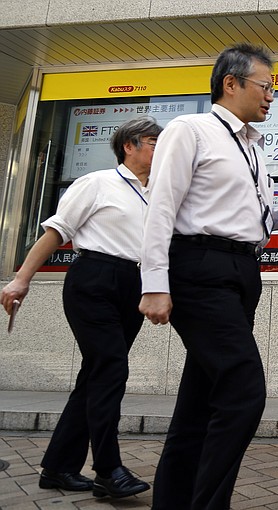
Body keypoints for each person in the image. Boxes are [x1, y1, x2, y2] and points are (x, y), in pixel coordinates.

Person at [138, 42, 278, 509]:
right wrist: (154, 284)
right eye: (266, 86)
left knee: (199, 402)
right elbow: (161, 208)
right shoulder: (191, 130)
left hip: (243, 271)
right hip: (200, 270)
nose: (272, 96)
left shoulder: (252, 146)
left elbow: (252, 220)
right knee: (244, 394)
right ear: (231, 83)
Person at [0, 116, 162, 498]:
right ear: (130, 145)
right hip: (94, 279)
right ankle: (108, 469)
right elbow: (56, 231)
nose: (161, 148)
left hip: (134, 285)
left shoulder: (158, 192)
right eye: (154, 141)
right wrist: (22, 279)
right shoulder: (97, 183)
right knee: (111, 368)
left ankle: (57, 467)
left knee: (95, 376)